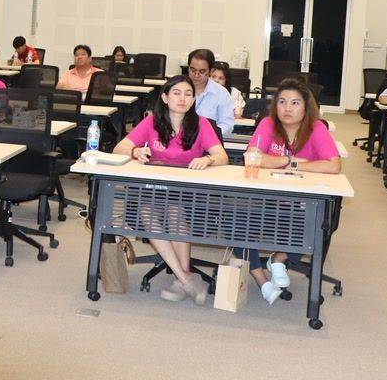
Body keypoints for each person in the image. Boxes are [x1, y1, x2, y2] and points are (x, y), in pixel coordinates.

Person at [112, 76, 228, 306]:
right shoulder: (152, 122)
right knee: (146, 212)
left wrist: (208, 159)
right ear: (165, 98)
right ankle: (186, 279)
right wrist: (135, 151)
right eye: (176, 93)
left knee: (175, 212)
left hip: (186, 191)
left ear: (193, 99)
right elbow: (119, 148)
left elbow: (222, 156)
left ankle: (181, 278)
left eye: (188, 94)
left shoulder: (201, 124)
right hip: (153, 189)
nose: (182, 98)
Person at [241, 80, 342, 304]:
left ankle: (279, 258)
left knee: (315, 224)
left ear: (306, 107)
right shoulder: (268, 124)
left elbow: (333, 165)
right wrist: (289, 160)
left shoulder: (316, 128)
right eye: (282, 102)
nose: (287, 108)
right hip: (266, 199)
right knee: (237, 221)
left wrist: (287, 164)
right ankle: (261, 279)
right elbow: (252, 157)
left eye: (295, 103)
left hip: (302, 202)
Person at [185, 49, 235, 137]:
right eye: (193, 70)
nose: (196, 75)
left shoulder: (221, 93)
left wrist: (208, 136)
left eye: (202, 71)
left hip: (208, 142)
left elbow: (227, 125)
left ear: (210, 71)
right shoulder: (177, 89)